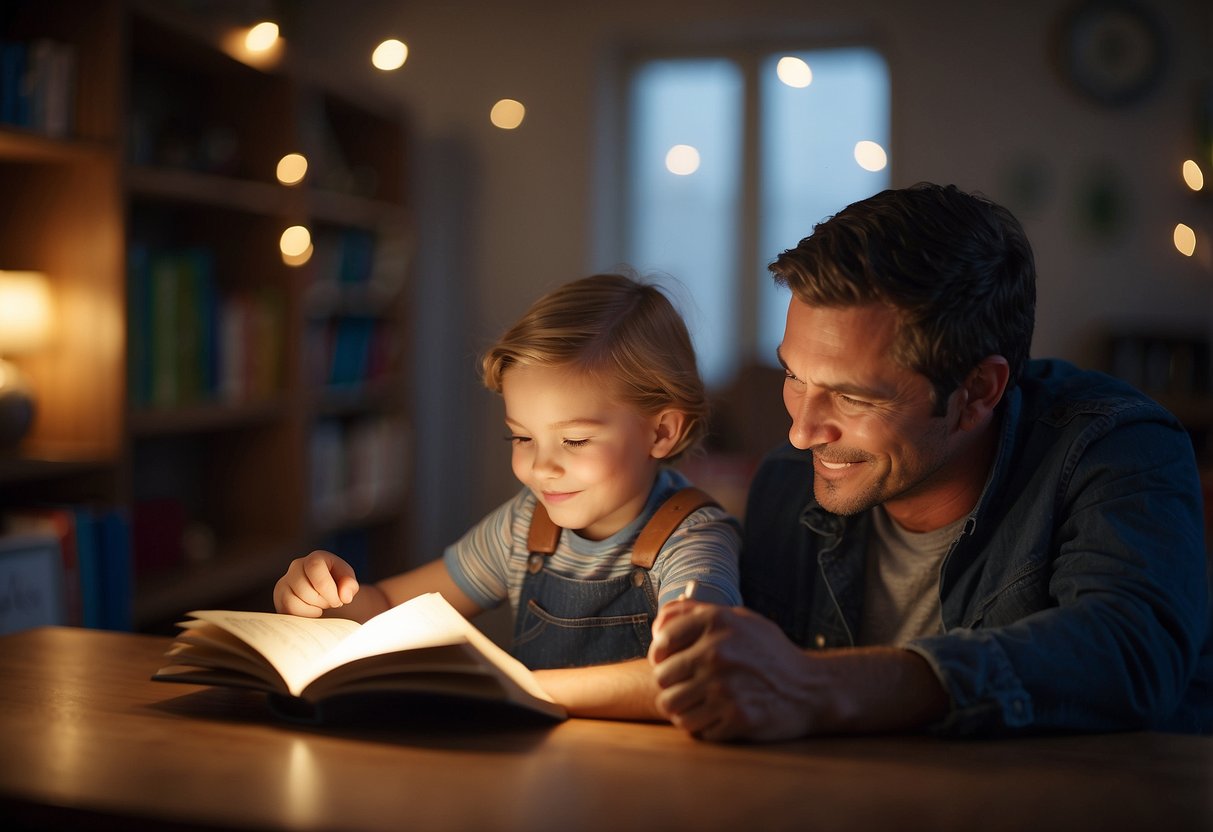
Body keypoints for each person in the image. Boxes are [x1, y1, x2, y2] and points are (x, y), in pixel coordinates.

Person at [648, 182, 1213, 740]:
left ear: (976, 393)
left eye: (854, 397)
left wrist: (817, 685)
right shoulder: (787, 480)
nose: (800, 433)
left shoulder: (1117, 449)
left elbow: (1130, 654)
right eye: (795, 376)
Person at [276, 272, 742, 718]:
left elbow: (696, 667)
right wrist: (323, 595)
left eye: (575, 440)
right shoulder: (525, 525)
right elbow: (384, 609)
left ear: (661, 432)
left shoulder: (694, 541)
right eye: (521, 438)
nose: (540, 467)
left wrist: (510, 685)